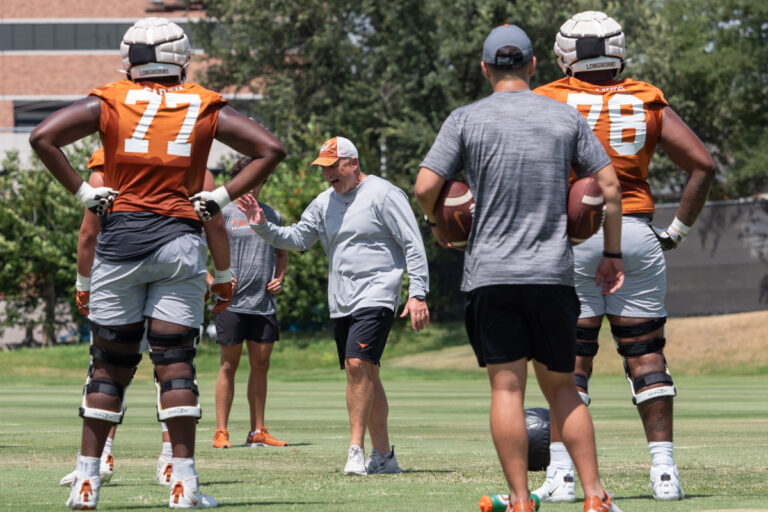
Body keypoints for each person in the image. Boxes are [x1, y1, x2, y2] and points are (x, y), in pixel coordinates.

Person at [29, 17, 285, 510]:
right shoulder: (204, 104)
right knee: (175, 365)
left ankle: (87, 485)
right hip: (178, 245)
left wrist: (84, 190)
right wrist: (220, 197)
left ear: (130, 60)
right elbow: (269, 149)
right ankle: (183, 487)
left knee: (107, 368)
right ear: (181, 58)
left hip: (120, 242)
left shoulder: (109, 100)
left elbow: (43, 137)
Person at [415, 24, 625, 512]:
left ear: (486, 69)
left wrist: (437, 224)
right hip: (551, 275)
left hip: (491, 275)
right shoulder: (565, 117)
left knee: (506, 387)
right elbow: (610, 189)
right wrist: (611, 254)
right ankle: (595, 497)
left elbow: (427, 187)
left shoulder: (464, 120)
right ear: (533, 66)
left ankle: (519, 501)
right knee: (564, 389)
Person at [532, 11, 716, 502]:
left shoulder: (548, 98)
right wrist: (674, 232)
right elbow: (703, 164)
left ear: (565, 53)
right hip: (633, 230)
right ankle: (663, 474)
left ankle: (563, 475)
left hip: (569, 236)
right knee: (646, 353)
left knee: (567, 360)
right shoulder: (646, 96)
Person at [238, 136, 430, 475]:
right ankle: (384, 457)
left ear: (352, 163)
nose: (327, 174)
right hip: (341, 300)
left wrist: (418, 292)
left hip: (378, 294)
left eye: (332, 166)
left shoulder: (384, 195)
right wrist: (262, 226)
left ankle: (355, 450)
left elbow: (413, 243)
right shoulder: (324, 202)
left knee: (357, 365)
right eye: (323, 168)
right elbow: (298, 238)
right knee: (366, 373)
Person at [60, 148, 233, 488]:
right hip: (176, 266)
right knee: (174, 369)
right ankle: (175, 468)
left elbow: (87, 235)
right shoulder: (192, 166)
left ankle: (94, 466)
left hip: (117, 269)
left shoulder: (105, 167)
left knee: (108, 369)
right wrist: (222, 276)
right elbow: (215, 224)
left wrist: (83, 285)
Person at [211, 156, 289, 450]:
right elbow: (198, 251)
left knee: (261, 366)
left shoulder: (272, 215)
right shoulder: (222, 213)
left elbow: (281, 252)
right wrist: (215, 281)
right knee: (228, 366)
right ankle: (221, 432)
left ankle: (258, 430)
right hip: (230, 304)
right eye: (246, 180)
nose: (252, 186)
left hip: (263, 304)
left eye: (257, 180)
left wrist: (279, 277)